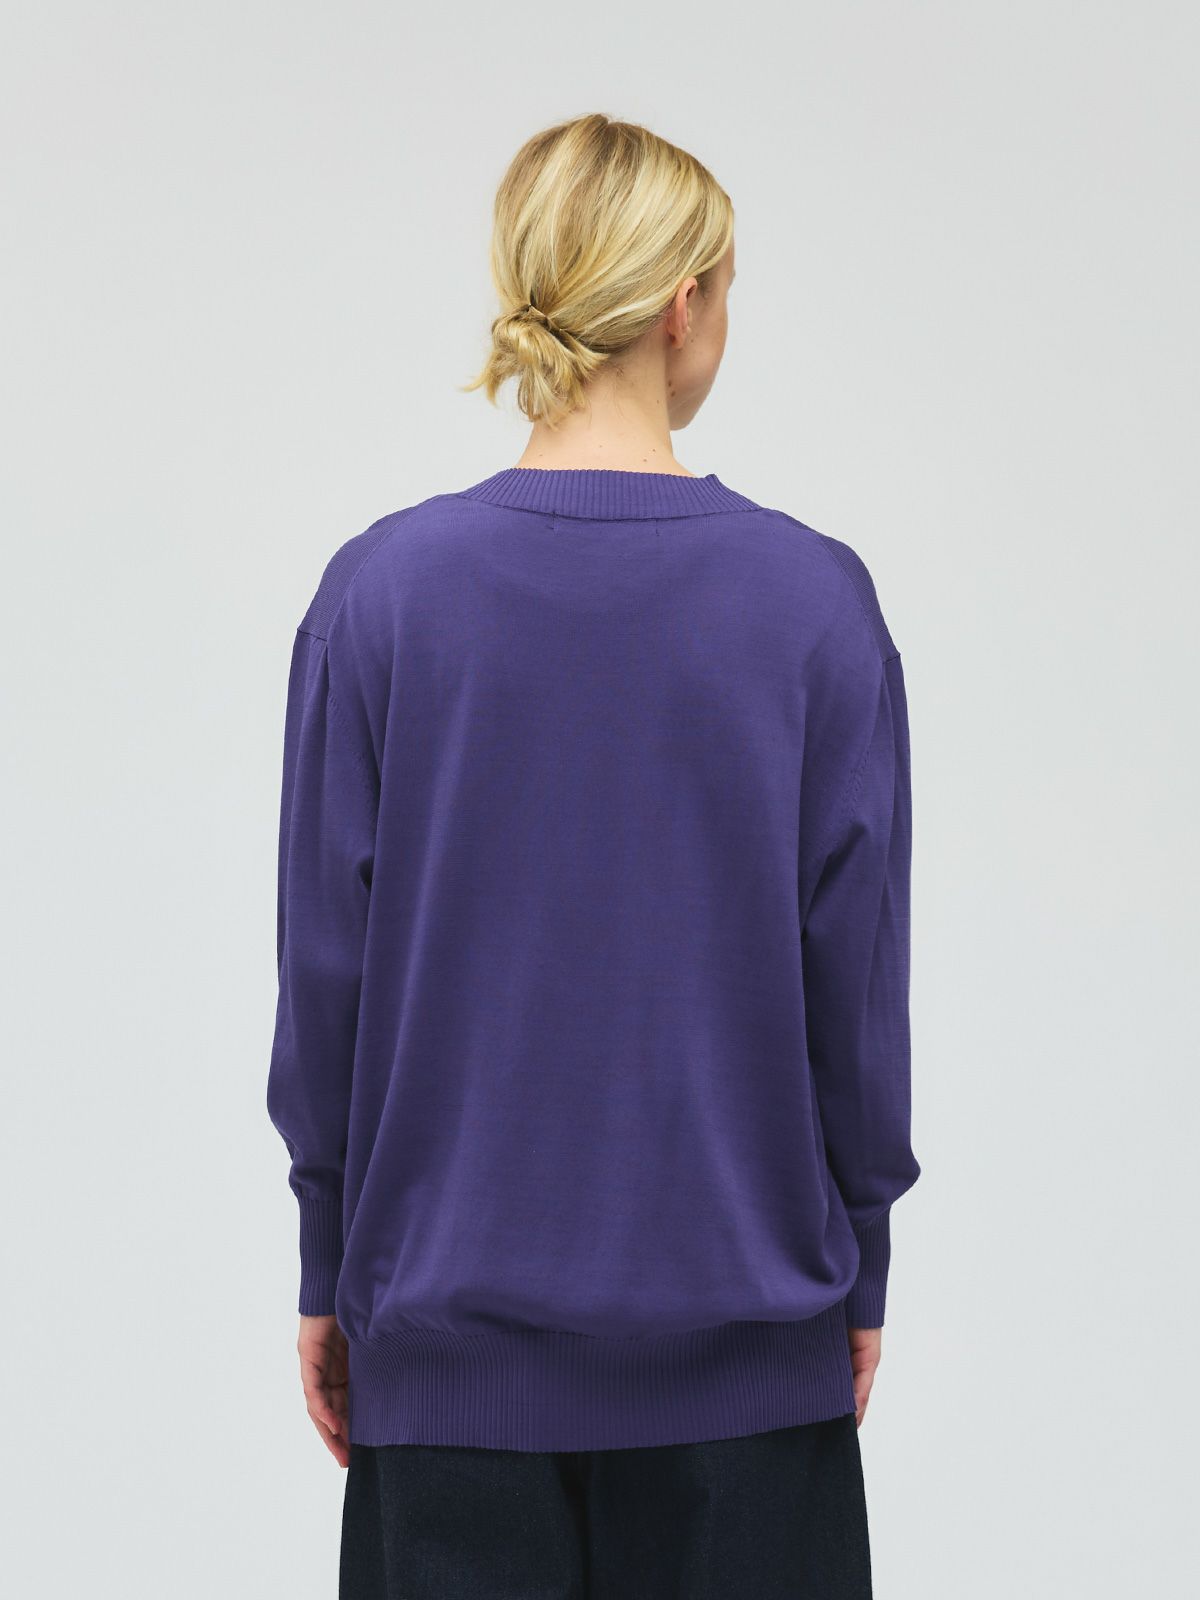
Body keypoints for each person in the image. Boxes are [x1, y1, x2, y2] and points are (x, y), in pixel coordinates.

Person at [266, 111, 921, 1599]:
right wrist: (861, 1259)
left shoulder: (380, 598)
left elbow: (326, 984)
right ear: (685, 304)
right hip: (750, 1379)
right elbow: (857, 993)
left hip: (447, 1381)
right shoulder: (814, 605)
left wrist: (327, 1258)